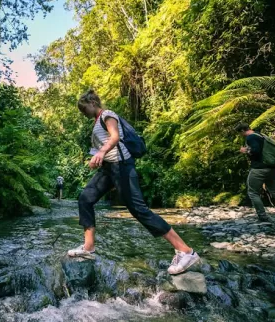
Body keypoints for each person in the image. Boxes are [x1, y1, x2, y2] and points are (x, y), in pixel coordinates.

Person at [67, 90, 200, 275]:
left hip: (122, 166)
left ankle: (186, 251)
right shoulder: (97, 122)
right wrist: (97, 157)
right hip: (108, 169)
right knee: (85, 198)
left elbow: (114, 137)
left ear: (92, 102)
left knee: (139, 210)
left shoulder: (107, 114)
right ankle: (88, 248)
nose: (83, 112)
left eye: (84, 108)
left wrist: (101, 152)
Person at [235, 123, 275, 221]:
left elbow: (255, 151)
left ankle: (263, 217)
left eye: (239, 133)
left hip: (259, 170)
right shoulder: (260, 135)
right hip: (272, 168)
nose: (240, 135)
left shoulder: (251, 138)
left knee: (253, 193)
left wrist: (245, 150)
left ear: (242, 131)